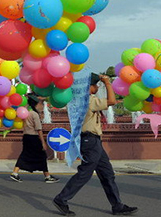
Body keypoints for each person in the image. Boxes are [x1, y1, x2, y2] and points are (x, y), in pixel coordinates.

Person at [53, 75, 138, 216]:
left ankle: (117, 205)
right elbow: (112, 101)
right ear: (88, 87)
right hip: (90, 140)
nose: (98, 88)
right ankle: (61, 199)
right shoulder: (88, 100)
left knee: (107, 173)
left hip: (92, 141)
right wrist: (107, 82)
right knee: (85, 172)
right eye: (96, 85)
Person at [10, 95, 59, 183]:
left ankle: (15, 172)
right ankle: (47, 176)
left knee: (24, 154)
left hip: (26, 136)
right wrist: (43, 142)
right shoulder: (34, 114)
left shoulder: (25, 113)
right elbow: (39, 129)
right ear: (35, 104)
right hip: (34, 137)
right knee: (42, 156)